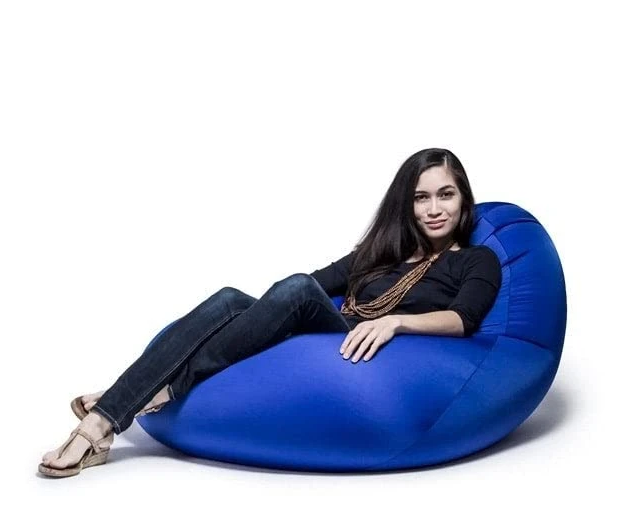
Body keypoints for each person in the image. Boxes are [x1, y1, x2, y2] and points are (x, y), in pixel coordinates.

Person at [38, 147, 502, 477]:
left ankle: (120, 408)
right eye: (421, 197)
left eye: (446, 195)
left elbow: (463, 320)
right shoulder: (382, 253)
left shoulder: (474, 260)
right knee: (229, 299)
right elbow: (306, 289)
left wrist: (395, 321)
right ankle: (126, 405)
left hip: (354, 345)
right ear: (407, 203)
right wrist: (255, 320)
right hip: (330, 327)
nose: (434, 209)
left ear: (463, 199)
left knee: (293, 290)